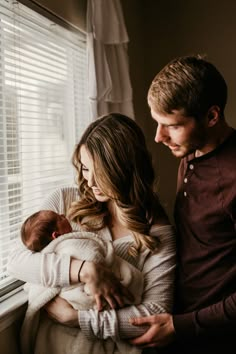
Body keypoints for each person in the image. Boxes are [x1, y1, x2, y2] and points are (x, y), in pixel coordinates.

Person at [8, 113, 176, 354]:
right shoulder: (64, 201)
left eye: (102, 171)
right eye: (86, 168)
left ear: (125, 169)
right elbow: (16, 261)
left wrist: (77, 318)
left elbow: (155, 313)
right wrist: (85, 270)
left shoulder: (157, 232)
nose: (91, 181)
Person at [129, 55, 236, 354]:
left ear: (212, 116)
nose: (159, 137)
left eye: (171, 126)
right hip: (179, 323)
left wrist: (182, 325)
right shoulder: (190, 152)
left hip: (220, 337)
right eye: (157, 123)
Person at [20, 210, 145, 354]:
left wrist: (74, 317)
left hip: (83, 313)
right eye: (59, 218)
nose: (63, 214)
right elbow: (92, 256)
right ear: (56, 235)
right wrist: (88, 270)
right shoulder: (68, 246)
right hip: (81, 298)